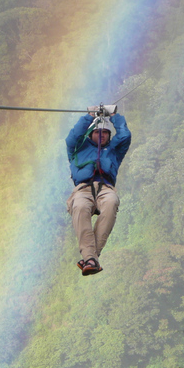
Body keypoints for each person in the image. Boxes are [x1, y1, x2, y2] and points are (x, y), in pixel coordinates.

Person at [65, 108, 131, 275]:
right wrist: (90, 116)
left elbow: (125, 135)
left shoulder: (114, 151)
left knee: (111, 202)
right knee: (79, 207)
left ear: (109, 135)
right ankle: (91, 258)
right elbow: (72, 137)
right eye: (97, 132)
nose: (101, 135)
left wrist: (115, 116)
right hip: (83, 188)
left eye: (105, 133)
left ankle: (89, 258)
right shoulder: (78, 147)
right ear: (90, 133)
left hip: (106, 188)